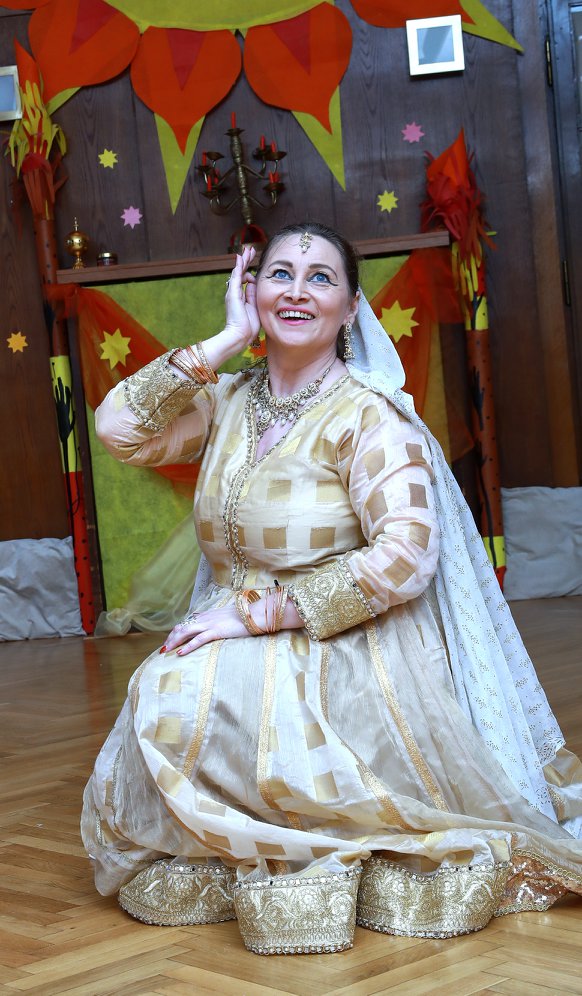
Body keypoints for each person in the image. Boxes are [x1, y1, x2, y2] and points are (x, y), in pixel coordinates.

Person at [82, 222, 582, 955]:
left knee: (184, 699)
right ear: (251, 291)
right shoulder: (228, 400)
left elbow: (407, 557)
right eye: (279, 274)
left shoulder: (368, 416)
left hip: (341, 637)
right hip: (230, 624)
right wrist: (226, 340)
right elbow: (119, 428)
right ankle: (252, 845)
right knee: (164, 695)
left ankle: (301, 841)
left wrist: (262, 615)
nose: (297, 290)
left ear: (351, 309)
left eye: (321, 278)